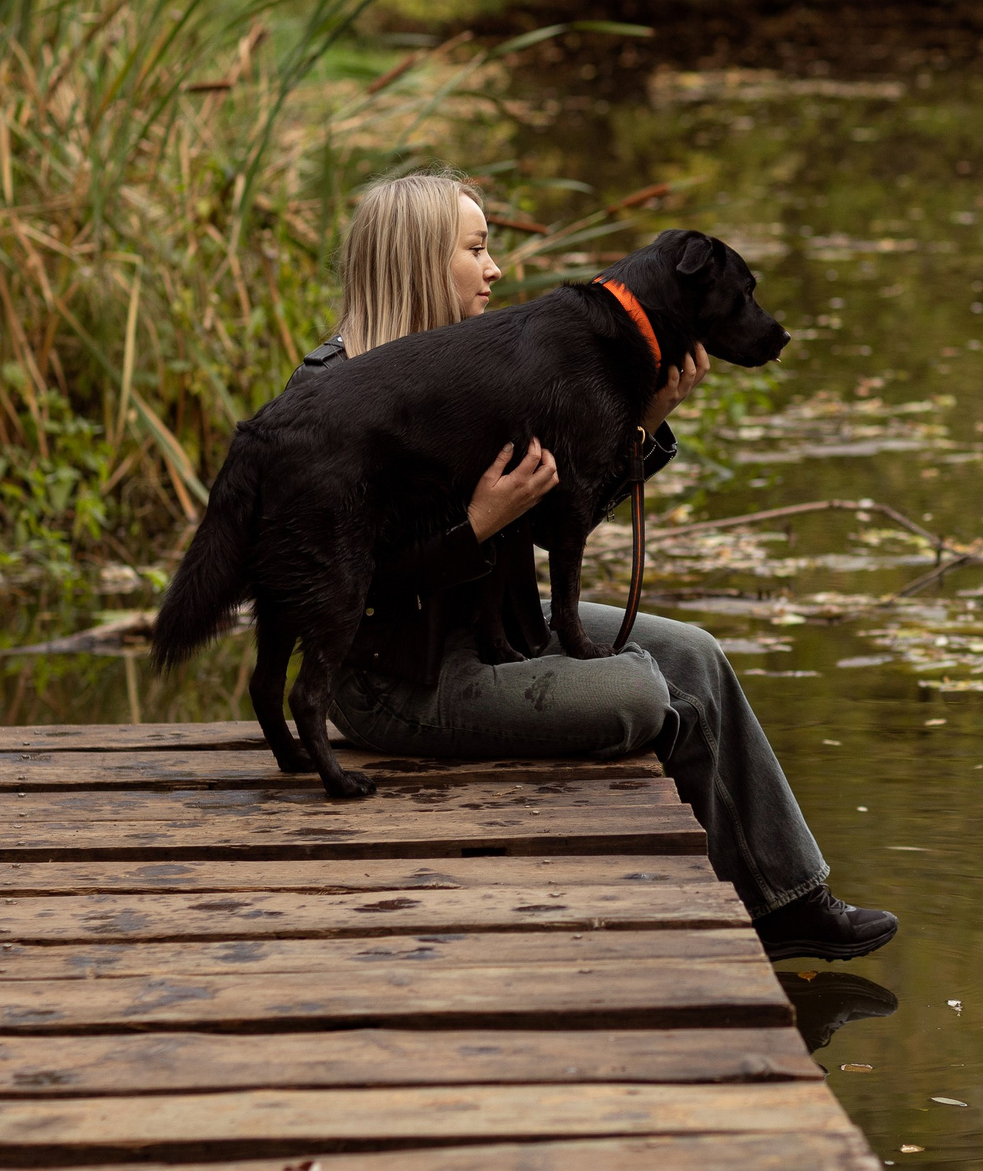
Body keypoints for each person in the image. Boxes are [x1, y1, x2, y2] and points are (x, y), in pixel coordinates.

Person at [286, 169, 896, 962]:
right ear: (418, 261)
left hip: (503, 632)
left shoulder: (483, 369)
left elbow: (551, 523)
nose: (496, 268)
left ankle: (789, 899)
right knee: (642, 689)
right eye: (476, 248)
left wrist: (639, 424)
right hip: (399, 680)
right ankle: (704, 913)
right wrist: (475, 525)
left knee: (696, 657)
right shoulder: (329, 395)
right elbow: (328, 585)